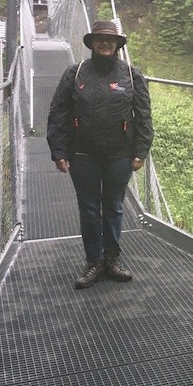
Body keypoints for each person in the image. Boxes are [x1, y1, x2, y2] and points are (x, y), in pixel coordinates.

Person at [47, 21, 153, 289]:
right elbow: (58, 112)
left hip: (120, 153)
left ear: (118, 44)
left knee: (114, 207)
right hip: (83, 153)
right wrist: (58, 149)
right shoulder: (76, 73)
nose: (105, 43)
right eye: (100, 39)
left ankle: (113, 259)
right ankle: (94, 261)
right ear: (92, 43)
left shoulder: (131, 75)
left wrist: (141, 150)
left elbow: (143, 115)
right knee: (90, 209)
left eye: (111, 40)